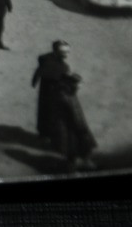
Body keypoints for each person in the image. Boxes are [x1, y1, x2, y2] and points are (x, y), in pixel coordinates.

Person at [33, 40, 98, 171]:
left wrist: (35, 80)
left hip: (50, 98)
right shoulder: (66, 90)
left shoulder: (48, 62)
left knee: (65, 141)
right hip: (57, 105)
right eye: (63, 52)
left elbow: (39, 72)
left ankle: (71, 161)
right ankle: (80, 163)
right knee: (74, 143)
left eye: (67, 51)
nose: (66, 54)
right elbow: (76, 116)